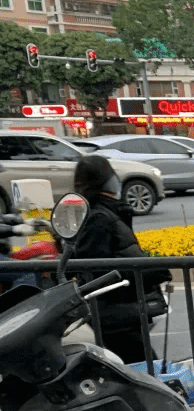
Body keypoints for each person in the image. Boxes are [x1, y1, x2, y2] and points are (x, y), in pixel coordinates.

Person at [71, 154, 170, 363]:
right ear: (105, 180)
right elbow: (97, 269)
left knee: (141, 365)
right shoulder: (99, 218)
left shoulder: (108, 212)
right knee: (142, 367)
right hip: (115, 311)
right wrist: (147, 271)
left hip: (121, 308)